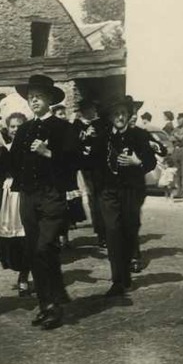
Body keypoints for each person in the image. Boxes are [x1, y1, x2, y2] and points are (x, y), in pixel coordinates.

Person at [8, 74, 81, 331]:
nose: (33, 101)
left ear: (49, 99)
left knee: (45, 247)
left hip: (52, 195)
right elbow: (13, 161)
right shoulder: (25, 129)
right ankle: (45, 303)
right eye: (30, 97)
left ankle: (54, 306)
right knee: (33, 249)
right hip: (28, 196)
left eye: (38, 96)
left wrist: (48, 152)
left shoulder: (63, 128)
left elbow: (75, 162)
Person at [90, 95, 157, 297]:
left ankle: (125, 272)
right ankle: (117, 280)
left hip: (131, 191)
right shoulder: (102, 137)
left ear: (129, 115)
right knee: (112, 231)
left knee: (128, 231)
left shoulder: (140, 136)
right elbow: (92, 162)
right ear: (110, 117)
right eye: (116, 114)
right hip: (108, 192)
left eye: (123, 113)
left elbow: (151, 162)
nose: (120, 117)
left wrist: (137, 162)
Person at [0, 94, 33, 296]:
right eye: (12, 126)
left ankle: (24, 275)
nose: (16, 130)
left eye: (19, 126)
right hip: (7, 195)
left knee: (25, 235)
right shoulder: (3, 148)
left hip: (23, 194)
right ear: (8, 128)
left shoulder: (29, 147)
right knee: (10, 238)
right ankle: (18, 268)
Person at [74, 97, 107, 251]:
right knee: (94, 198)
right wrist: (85, 136)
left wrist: (96, 136)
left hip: (100, 166)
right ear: (84, 111)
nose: (94, 111)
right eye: (91, 109)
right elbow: (72, 145)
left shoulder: (99, 124)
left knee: (102, 197)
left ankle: (105, 232)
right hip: (85, 168)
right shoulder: (76, 125)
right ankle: (101, 233)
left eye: (94, 109)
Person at [171, 111, 183, 200]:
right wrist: (177, 137)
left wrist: (177, 136)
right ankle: (178, 191)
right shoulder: (176, 128)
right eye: (178, 119)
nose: (178, 120)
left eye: (180, 118)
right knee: (176, 172)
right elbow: (171, 138)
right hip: (176, 149)